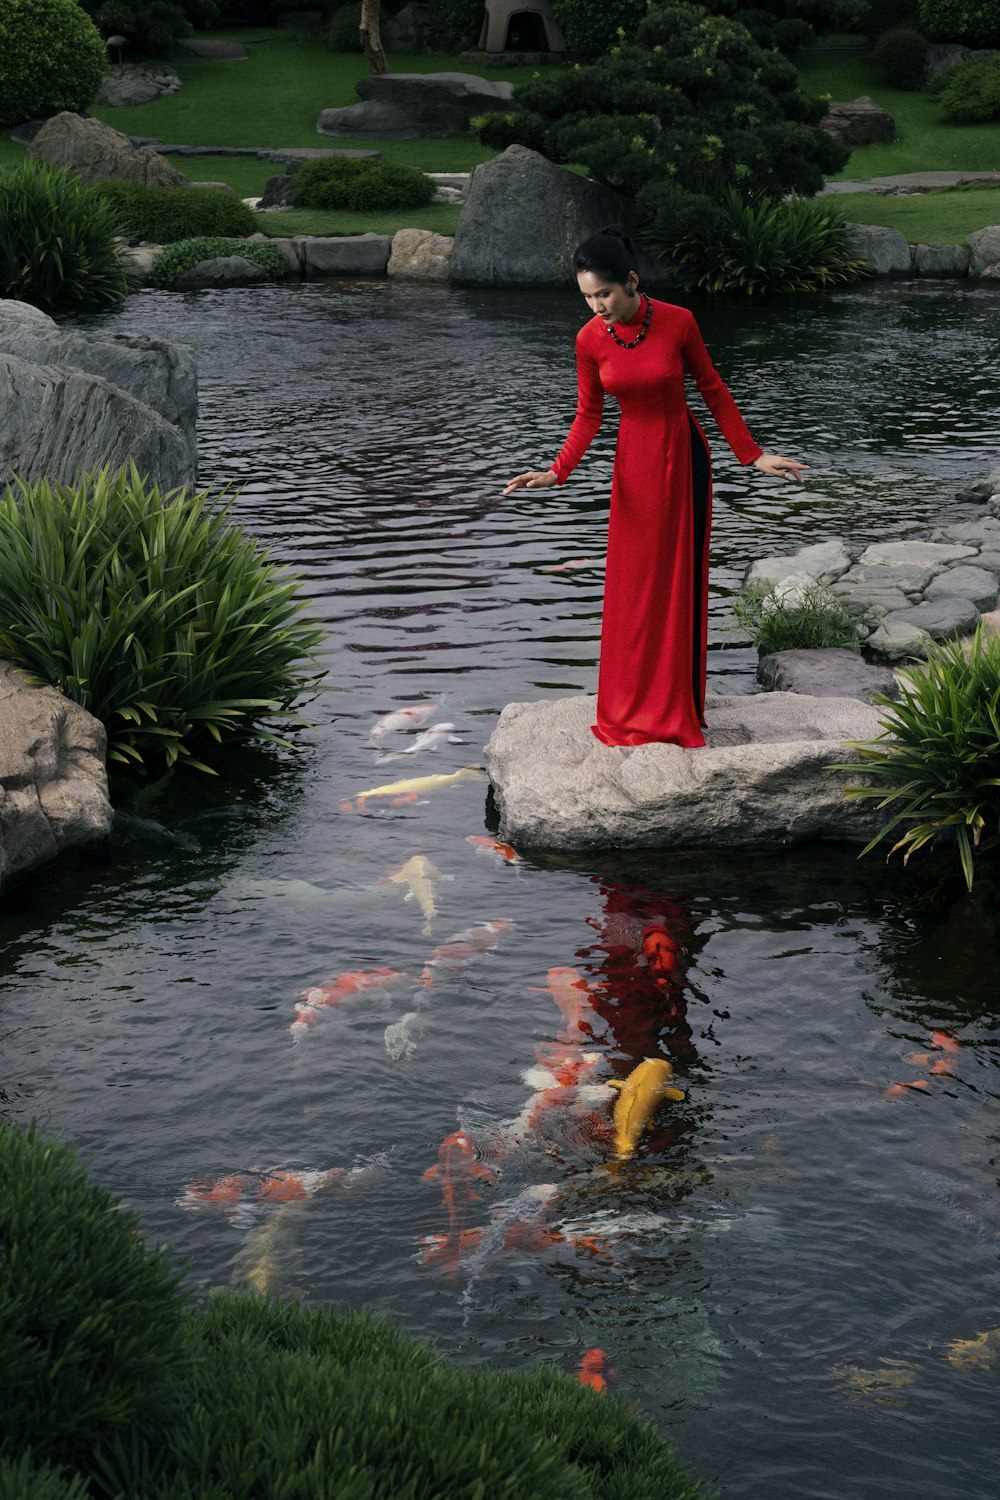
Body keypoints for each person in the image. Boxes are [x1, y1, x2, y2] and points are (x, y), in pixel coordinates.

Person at [503, 226, 808, 749]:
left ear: (631, 281)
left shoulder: (678, 322)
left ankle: (674, 709)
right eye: (588, 297)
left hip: (683, 459)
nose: (597, 305)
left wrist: (752, 455)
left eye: (605, 293)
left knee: (675, 584)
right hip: (633, 467)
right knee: (632, 586)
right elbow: (589, 413)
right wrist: (558, 470)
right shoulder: (588, 340)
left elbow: (712, 389)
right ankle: (628, 707)